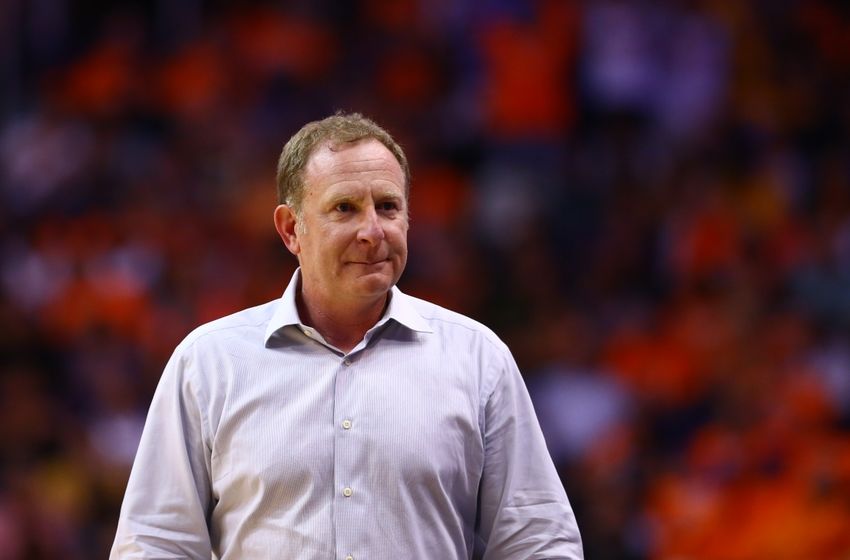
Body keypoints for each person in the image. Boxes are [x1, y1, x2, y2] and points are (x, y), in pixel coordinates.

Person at [111, 113, 583, 559]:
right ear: (291, 229)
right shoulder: (209, 362)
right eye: (345, 208)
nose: (373, 231)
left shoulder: (478, 359)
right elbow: (154, 542)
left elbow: (538, 539)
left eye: (388, 206)